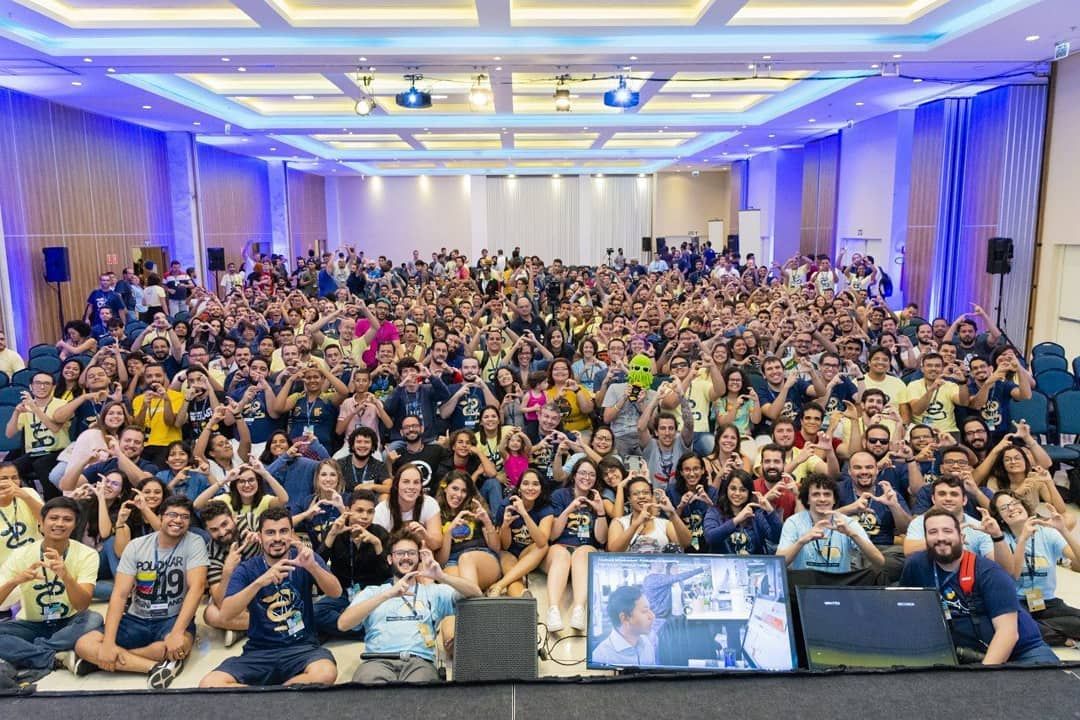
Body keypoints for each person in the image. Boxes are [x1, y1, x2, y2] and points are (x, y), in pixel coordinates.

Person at [74, 496, 208, 689]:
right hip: (136, 618)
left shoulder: (194, 542)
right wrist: (109, 642)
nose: (178, 520)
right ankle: (154, 668)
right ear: (159, 517)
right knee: (84, 644)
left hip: (172, 618)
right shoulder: (136, 546)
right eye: (172, 514)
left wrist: (178, 632)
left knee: (177, 647)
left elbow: (196, 589)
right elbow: (119, 594)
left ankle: (100, 663)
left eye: (184, 517)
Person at [199, 507, 341, 688]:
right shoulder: (247, 568)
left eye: (283, 531)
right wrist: (259, 582)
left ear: (291, 533)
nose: (277, 538)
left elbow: (336, 592)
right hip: (259, 652)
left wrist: (313, 567)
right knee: (210, 683)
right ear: (259, 536)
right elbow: (226, 614)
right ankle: (281, 694)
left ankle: (266, 696)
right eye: (270, 533)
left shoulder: (305, 558)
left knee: (326, 673)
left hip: (302, 648)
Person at [899, 507, 1058, 665]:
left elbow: (1007, 633)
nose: (940, 537)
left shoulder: (989, 572)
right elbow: (906, 613)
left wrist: (982, 677)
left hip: (1022, 651)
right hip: (966, 652)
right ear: (925, 539)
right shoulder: (916, 566)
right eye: (933, 532)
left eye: (947, 531)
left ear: (961, 537)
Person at [337, 530, 481, 684]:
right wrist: (387, 595)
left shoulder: (433, 592)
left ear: (418, 558)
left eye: (411, 553)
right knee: (369, 695)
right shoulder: (373, 592)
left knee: (419, 698)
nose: (406, 557)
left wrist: (442, 577)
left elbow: (476, 594)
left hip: (419, 662)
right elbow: (343, 624)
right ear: (390, 559)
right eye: (400, 553)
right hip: (376, 661)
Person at [0, 497, 102, 676]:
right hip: (32, 623)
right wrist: (15, 581)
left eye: (67, 519)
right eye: (54, 518)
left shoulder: (88, 554)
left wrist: (66, 577)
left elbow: (82, 605)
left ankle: (31, 651)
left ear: (75, 525)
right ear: (41, 523)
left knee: (94, 619)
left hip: (68, 622)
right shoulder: (20, 555)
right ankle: (54, 658)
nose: (60, 524)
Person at [990, 491, 1080, 646]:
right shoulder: (999, 539)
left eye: (1015, 503)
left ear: (1024, 506)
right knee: (1016, 626)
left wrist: (1063, 530)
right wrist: (1023, 538)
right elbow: (1013, 576)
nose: (1011, 508)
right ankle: (1061, 637)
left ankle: (1042, 631)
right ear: (1000, 518)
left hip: (1045, 600)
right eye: (1004, 508)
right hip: (1016, 601)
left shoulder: (1047, 533)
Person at [313, 490, 391, 640]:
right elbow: (318, 565)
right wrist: (332, 535)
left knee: (388, 610)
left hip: (371, 594)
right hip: (342, 592)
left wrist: (376, 544)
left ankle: (347, 624)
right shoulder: (334, 530)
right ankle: (362, 629)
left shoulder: (379, 534)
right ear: (348, 510)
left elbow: (388, 574)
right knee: (315, 612)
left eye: (370, 512)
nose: (365, 516)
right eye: (359, 511)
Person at [776, 474, 885, 580]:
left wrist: (852, 534)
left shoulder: (848, 523)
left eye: (827, 494)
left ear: (834, 500)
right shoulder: (794, 522)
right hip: (804, 587)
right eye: (816, 494)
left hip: (838, 588)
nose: (822, 499)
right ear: (807, 499)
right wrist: (802, 541)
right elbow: (779, 563)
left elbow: (880, 562)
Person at [543, 458, 607, 632]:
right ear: (574, 475)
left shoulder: (597, 498)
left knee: (583, 552)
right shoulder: (560, 495)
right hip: (560, 546)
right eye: (583, 473)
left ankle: (579, 608)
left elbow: (601, 539)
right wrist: (569, 508)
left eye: (592, 474)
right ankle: (553, 610)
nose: (587, 477)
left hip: (585, 547)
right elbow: (553, 534)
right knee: (562, 554)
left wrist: (600, 512)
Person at [200, 501, 259, 648]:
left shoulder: (250, 521)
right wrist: (227, 571)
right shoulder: (211, 552)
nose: (222, 532)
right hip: (241, 598)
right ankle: (267, 624)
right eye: (214, 529)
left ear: (233, 517)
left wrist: (264, 539)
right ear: (207, 531)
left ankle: (242, 628)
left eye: (225, 524)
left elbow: (289, 541)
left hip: (269, 586)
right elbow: (220, 601)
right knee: (210, 614)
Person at [592, 585, 656, 667]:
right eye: (645, 611)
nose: (652, 616)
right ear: (625, 618)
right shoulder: (602, 657)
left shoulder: (646, 643)